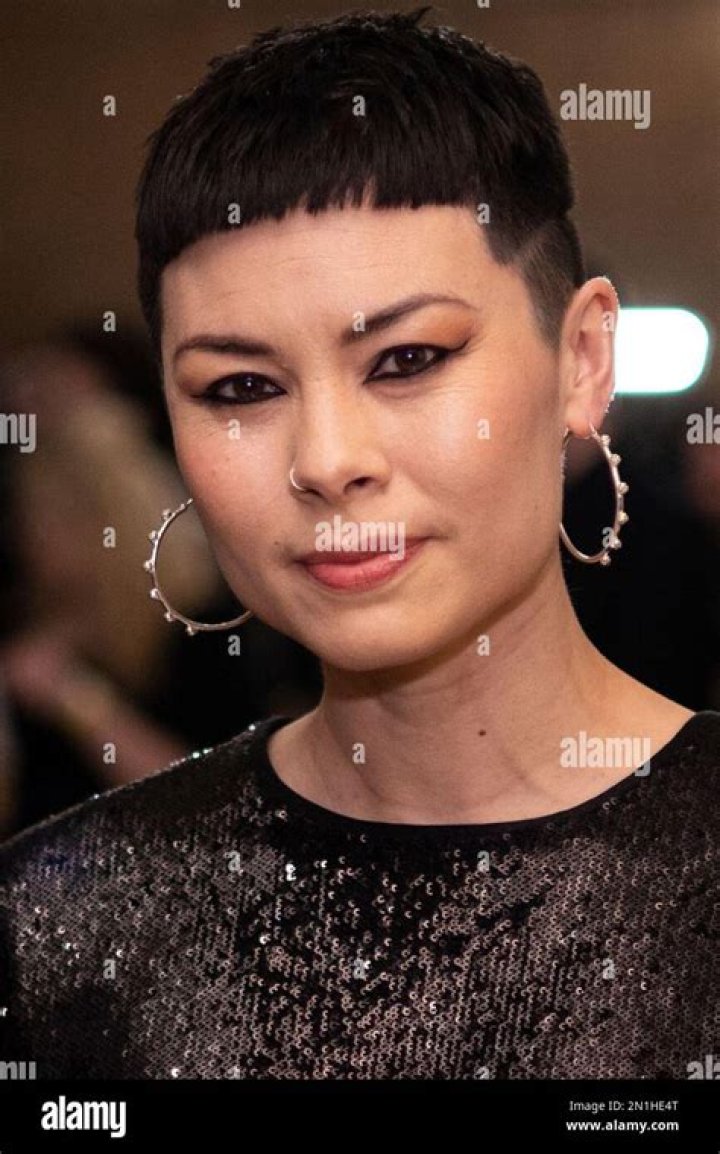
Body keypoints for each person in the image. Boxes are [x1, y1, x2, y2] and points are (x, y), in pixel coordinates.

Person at [0, 6, 717, 1080]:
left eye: (407, 359)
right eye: (240, 388)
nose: (328, 461)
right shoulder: (56, 925)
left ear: (581, 361)